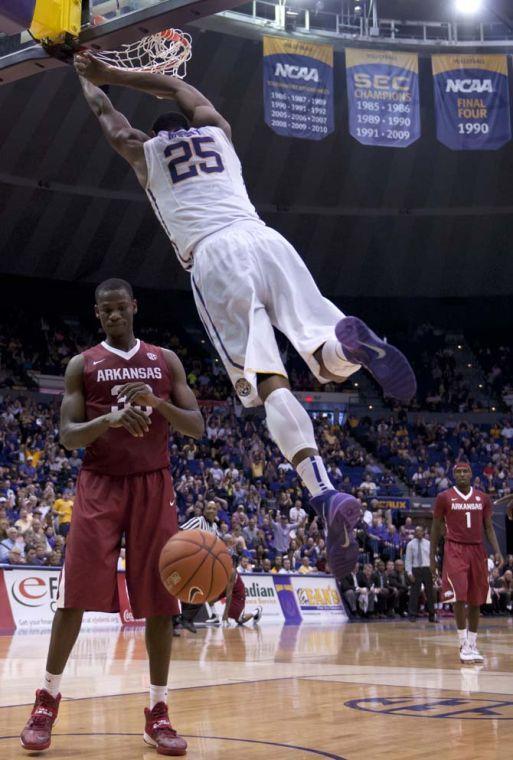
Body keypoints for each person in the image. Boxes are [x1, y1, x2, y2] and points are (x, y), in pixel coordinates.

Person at [73, 52, 417, 583]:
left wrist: (86, 75)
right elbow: (174, 88)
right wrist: (116, 72)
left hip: (216, 255)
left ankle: (324, 493)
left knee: (267, 379)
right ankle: (347, 349)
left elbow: (106, 116)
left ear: (153, 133)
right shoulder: (217, 130)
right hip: (267, 239)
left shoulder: (143, 153)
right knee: (321, 351)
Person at [20, 278, 204, 755]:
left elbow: (197, 427)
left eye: (122, 308)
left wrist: (155, 402)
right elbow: (67, 436)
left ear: (134, 307)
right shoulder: (83, 364)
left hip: (153, 484)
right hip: (99, 484)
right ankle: (46, 700)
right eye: (107, 311)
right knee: (74, 595)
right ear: (97, 314)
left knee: (162, 602)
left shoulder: (165, 361)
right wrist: (110, 419)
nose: (115, 316)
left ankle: (158, 713)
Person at [430, 462, 504, 664]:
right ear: (453, 475)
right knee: (459, 597)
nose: (462, 475)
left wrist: (497, 551)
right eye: (458, 472)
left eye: (465, 471)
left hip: (478, 550)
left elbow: (488, 527)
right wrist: (432, 560)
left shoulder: (482, 498)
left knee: (475, 600)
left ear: (471, 474)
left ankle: (472, 644)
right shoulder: (444, 497)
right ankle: (463, 644)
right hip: (454, 549)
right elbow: (435, 529)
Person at [405, 526, 436, 623]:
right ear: (414, 532)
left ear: (423, 532)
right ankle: (412, 615)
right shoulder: (410, 544)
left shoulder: (428, 543)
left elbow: (432, 558)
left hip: (427, 569)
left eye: (420, 531)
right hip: (416, 569)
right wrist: (409, 573)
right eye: (416, 531)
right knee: (414, 593)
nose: (418, 533)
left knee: (430, 593)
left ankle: (432, 615)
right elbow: (408, 560)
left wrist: (434, 572)